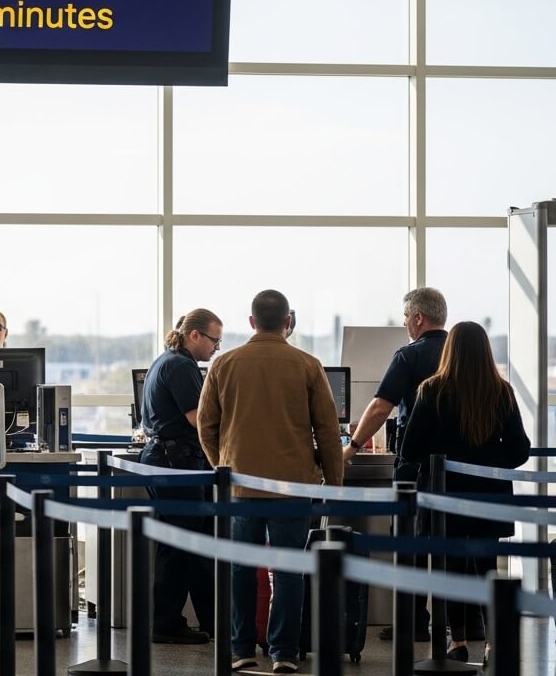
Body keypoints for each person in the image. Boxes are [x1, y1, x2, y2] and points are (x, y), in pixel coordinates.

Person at [198, 289, 343, 675]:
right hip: (293, 487)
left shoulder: (223, 364)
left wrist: (224, 468)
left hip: (241, 486)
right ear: (287, 323)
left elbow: (206, 428)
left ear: (250, 322)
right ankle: (284, 653)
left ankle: (241, 648)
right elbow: (328, 432)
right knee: (289, 570)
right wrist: (333, 483)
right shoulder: (308, 365)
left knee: (240, 569)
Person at [398, 321, 530, 666]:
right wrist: (488, 459)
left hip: (445, 497)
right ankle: (491, 643)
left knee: (449, 569)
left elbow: (410, 449)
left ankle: (456, 641)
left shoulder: (431, 390)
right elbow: (520, 451)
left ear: (450, 349)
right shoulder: (502, 392)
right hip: (489, 496)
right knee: (488, 569)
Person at [344, 286, 448, 644]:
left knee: (411, 543)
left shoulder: (409, 356)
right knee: (456, 545)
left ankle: (413, 621)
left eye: (406, 317)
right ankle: (468, 624)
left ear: (418, 318)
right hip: (461, 468)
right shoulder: (463, 354)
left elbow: (380, 407)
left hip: (416, 467)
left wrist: (353, 446)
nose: (405, 323)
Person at [139, 308, 222, 645]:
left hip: (170, 461)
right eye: (214, 340)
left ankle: (211, 619)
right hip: (177, 464)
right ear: (195, 335)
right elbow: (197, 419)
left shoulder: (167, 360)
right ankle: (165, 623)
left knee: (193, 544)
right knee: (179, 546)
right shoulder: (182, 366)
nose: (216, 348)